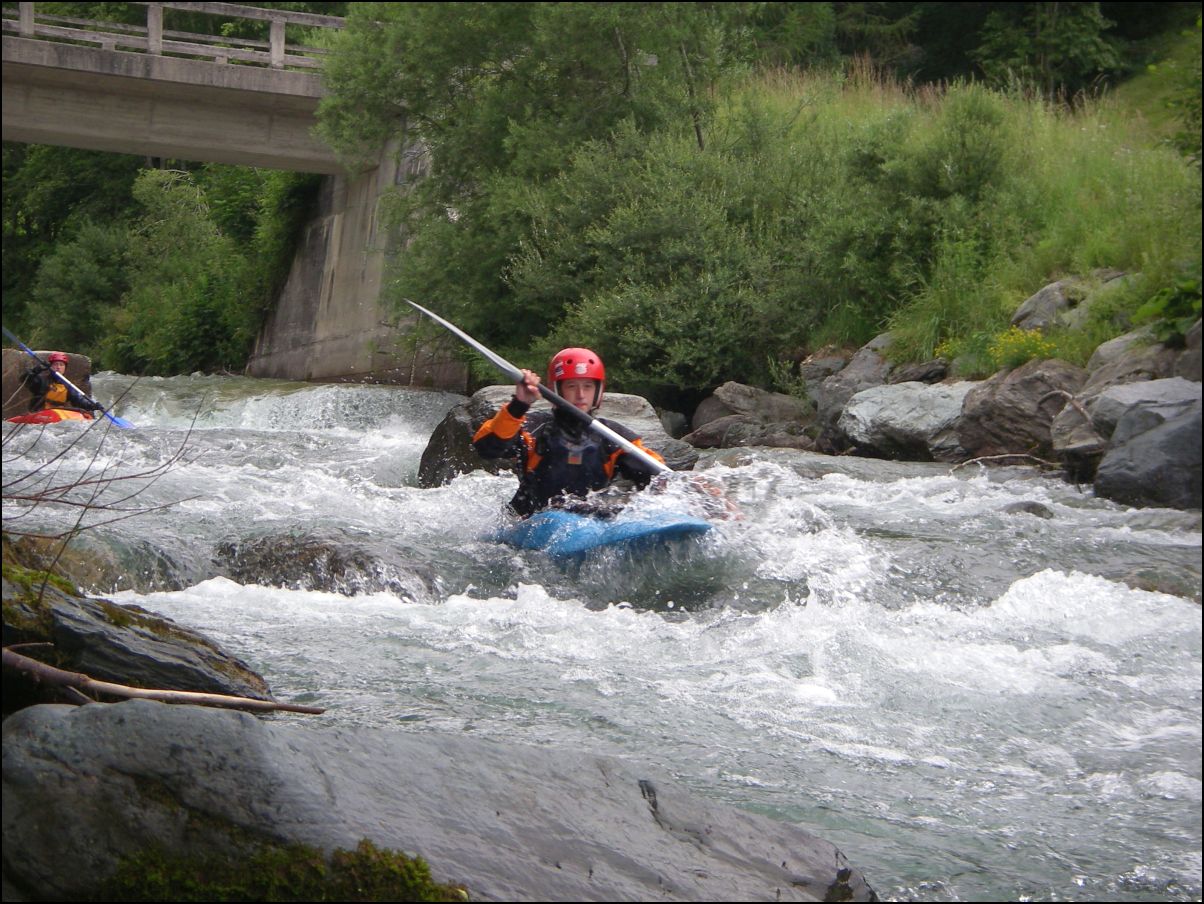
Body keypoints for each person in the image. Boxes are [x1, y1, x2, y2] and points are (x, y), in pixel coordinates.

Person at [472, 347, 666, 518]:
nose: (581, 395)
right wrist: (519, 405)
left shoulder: (613, 437)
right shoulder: (533, 427)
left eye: (587, 387)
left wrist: (673, 485)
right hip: (530, 520)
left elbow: (657, 477)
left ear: (598, 391)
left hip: (587, 523)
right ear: (557, 390)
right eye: (572, 386)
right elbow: (486, 447)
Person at [23, 352, 104, 417]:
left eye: (61, 365)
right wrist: (36, 370)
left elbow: (79, 401)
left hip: (57, 414)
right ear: (50, 366)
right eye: (55, 364)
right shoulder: (42, 380)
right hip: (39, 413)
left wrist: (92, 406)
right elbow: (25, 379)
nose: (58, 367)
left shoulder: (67, 386)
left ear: (65, 368)